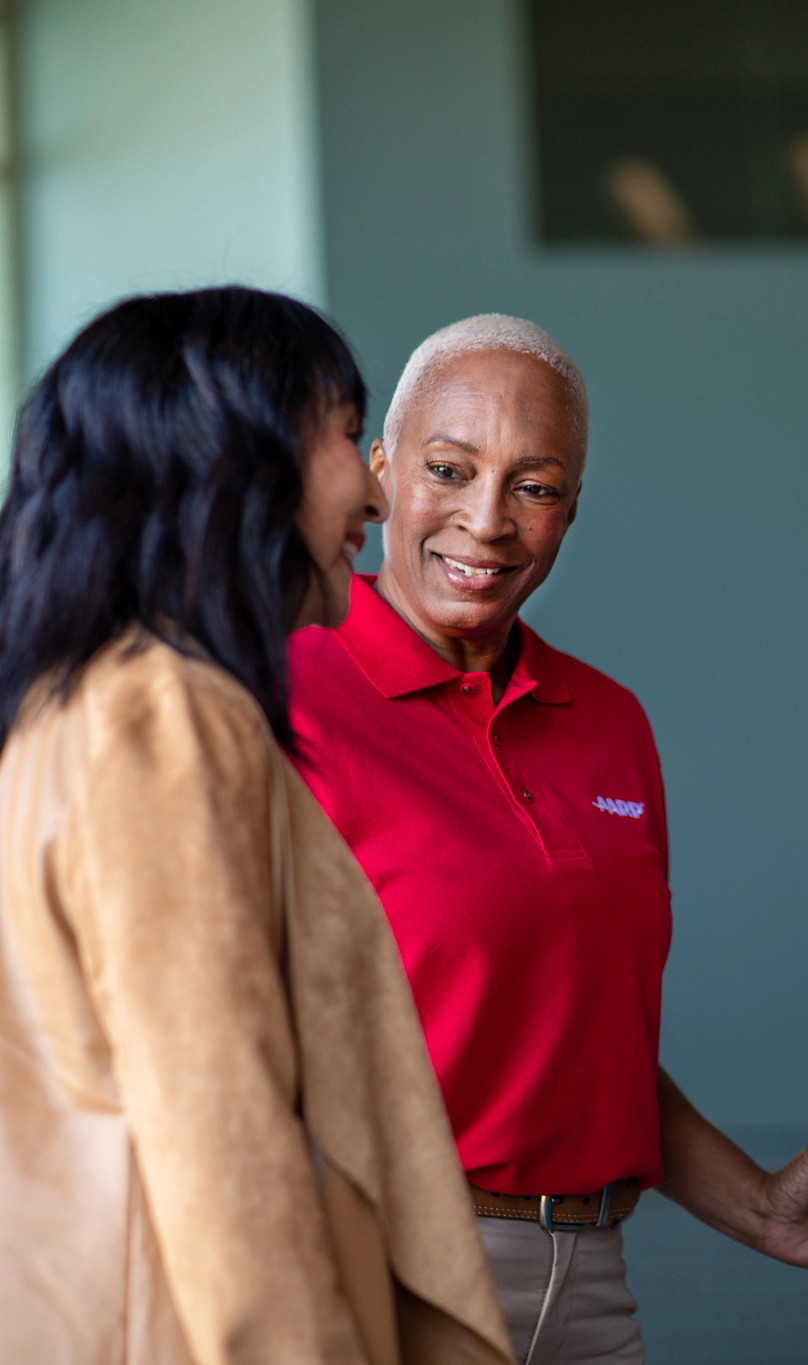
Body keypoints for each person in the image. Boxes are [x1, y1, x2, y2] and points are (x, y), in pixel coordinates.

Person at [289, 315, 808, 1365]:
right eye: (447, 470)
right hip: (378, 1266)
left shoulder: (608, 721)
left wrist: (761, 1207)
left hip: (589, 1275)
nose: (486, 520)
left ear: (570, 510)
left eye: (534, 487)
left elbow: (579, 1042)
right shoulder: (286, 692)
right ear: (381, 472)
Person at [0, 287, 511, 1362]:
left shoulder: (74, 709)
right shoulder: (164, 715)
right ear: (235, 461)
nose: (375, 491)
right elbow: (220, 1132)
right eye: (344, 433)